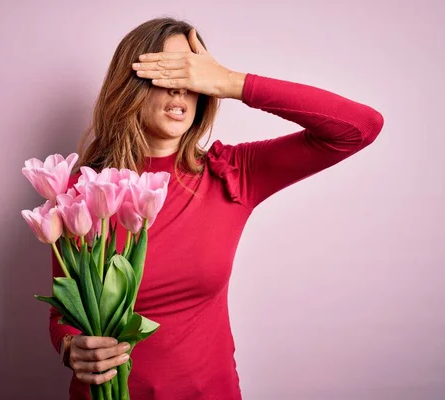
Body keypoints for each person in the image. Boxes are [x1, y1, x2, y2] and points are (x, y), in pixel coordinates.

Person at [48, 17, 384, 400]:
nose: (181, 88)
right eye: (167, 72)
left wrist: (230, 82)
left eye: (191, 75)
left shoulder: (232, 175)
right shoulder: (85, 191)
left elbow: (361, 127)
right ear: (131, 85)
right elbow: (62, 311)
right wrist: (71, 348)